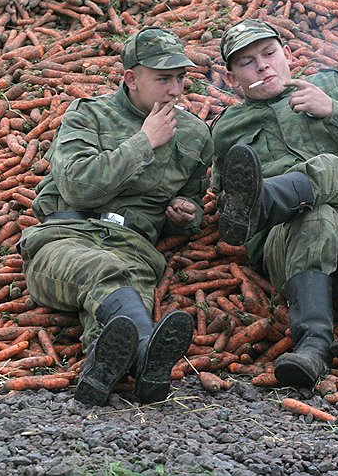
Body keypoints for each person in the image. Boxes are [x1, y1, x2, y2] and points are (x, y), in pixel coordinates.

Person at [211, 18, 338, 388]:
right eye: (246, 62)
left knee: (328, 168)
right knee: (315, 216)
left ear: (287, 55)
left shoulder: (329, 86)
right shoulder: (226, 130)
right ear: (231, 78)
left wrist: (334, 111)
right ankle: (313, 345)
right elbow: (225, 208)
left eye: (269, 54)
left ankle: (265, 199)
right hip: (289, 251)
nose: (262, 66)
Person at [18, 27, 214, 406]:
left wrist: (185, 215)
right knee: (103, 271)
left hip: (134, 250)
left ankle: (98, 376)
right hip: (65, 238)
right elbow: (77, 186)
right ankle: (147, 359)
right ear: (130, 78)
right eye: (163, 79)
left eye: (180, 78)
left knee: (119, 320)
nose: (175, 90)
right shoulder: (88, 114)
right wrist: (144, 141)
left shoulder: (193, 134)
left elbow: (192, 205)